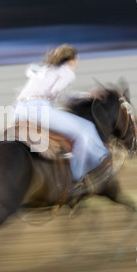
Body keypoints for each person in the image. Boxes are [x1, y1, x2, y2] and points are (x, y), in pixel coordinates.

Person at [14, 44, 111, 186]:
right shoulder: (67, 72)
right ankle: (77, 178)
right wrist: (89, 95)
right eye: (76, 60)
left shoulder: (45, 68)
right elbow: (60, 95)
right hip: (38, 110)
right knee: (85, 130)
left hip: (18, 110)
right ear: (72, 60)